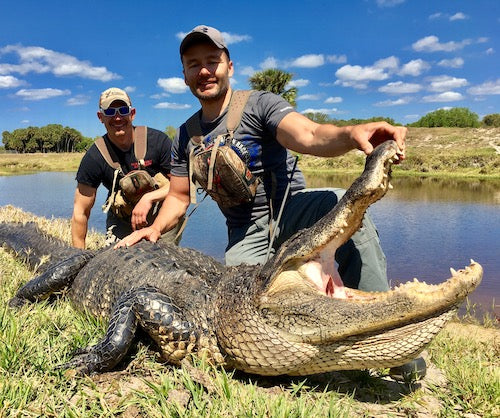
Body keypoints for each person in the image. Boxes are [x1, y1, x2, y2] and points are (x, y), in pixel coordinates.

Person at [116, 25, 426, 380]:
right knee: (234, 316)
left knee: (341, 204)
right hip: (245, 233)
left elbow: (309, 135)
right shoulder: (186, 134)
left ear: (229, 66)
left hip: (293, 214)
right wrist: (155, 229)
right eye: (193, 64)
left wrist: (351, 134)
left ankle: (384, 335)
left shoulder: (260, 104)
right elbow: (178, 196)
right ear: (184, 74)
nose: (204, 71)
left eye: (212, 61)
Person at [71, 87, 178, 248]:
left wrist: (148, 198)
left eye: (122, 110)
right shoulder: (94, 157)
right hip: (122, 218)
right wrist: (77, 257)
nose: (117, 117)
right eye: (110, 112)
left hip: (162, 213)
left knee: (163, 263)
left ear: (132, 113)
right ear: (100, 117)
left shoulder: (158, 141)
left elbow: (181, 187)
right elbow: (80, 212)